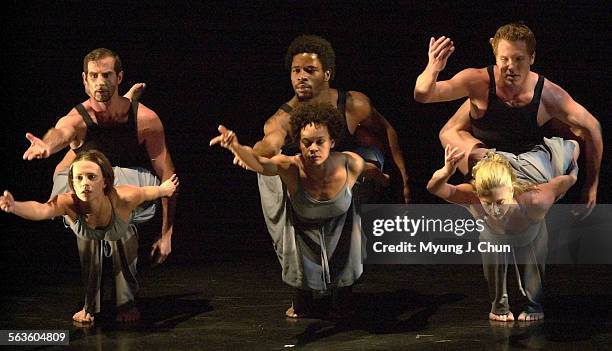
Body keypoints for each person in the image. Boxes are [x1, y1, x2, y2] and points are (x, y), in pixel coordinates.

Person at [211, 103, 386, 319]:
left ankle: (342, 296)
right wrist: (235, 147)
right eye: (306, 142)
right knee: (301, 288)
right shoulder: (290, 166)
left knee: (349, 247)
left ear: (332, 142)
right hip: (302, 221)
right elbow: (260, 163)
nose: (313, 148)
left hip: (341, 220)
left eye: (320, 142)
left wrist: (384, 179)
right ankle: (301, 296)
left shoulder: (350, 163)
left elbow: (372, 170)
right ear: (299, 144)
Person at [414, 22, 602, 218]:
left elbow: (593, 127)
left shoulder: (548, 94)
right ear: (495, 55)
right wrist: (433, 68)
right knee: (479, 165)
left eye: (519, 59)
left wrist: (591, 185)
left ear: (532, 57)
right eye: (504, 59)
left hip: (529, 162)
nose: (510, 67)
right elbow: (423, 95)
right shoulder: (477, 81)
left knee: (531, 205)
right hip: (488, 158)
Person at [1, 150, 179, 323]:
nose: (84, 183)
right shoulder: (68, 201)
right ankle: (90, 306)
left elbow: (150, 192)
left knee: (123, 237)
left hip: (120, 206)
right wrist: (15, 206)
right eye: (79, 178)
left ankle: (126, 304)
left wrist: (164, 189)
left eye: (91, 177)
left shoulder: (124, 196)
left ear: (104, 182)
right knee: (87, 241)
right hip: (85, 219)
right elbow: (41, 210)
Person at [427, 136, 579, 322]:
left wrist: (573, 172)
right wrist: (445, 173)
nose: (494, 209)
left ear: (511, 190)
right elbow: (435, 188)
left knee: (570, 149)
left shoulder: (535, 200)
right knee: (492, 248)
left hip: (530, 181)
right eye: (487, 202)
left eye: (500, 202)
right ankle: (499, 307)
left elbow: (566, 180)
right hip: (494, 225)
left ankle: (533, 305)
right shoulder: (473, 199)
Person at [251, 34, 410, 203]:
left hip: (352, 172)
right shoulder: (284, 118)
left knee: (368, 141)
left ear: (326, 74)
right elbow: (269, 144)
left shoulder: (353, 104)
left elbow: (386, 131)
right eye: (296, 70)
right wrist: (250, 154)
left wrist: (405, 181)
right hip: (309, 186)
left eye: (310, 70)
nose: (301, 76)